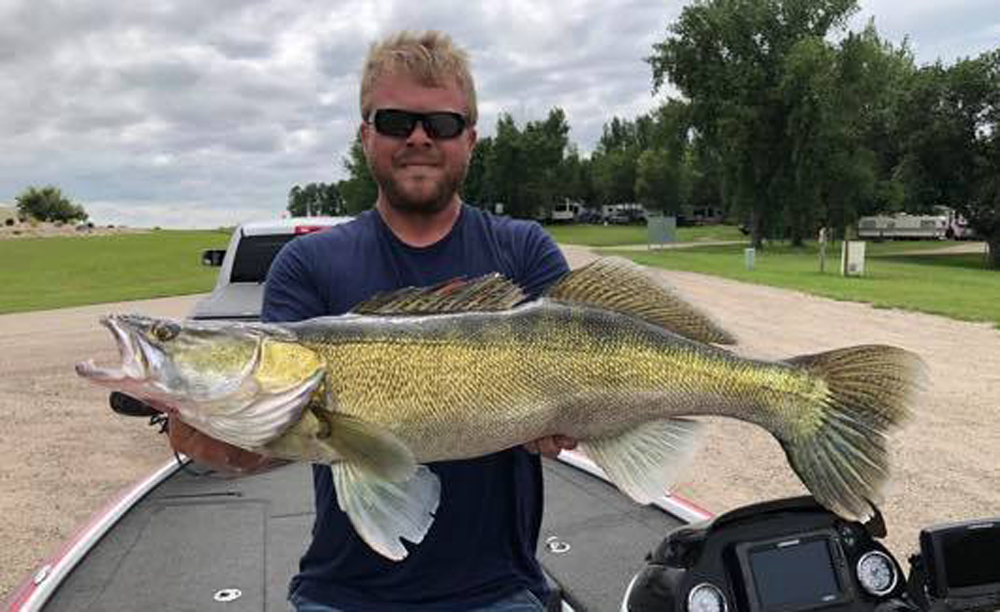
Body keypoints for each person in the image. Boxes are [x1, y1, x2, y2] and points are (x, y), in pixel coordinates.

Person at [169, 30, 577, 611]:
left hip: (503, 588)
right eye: (394, 121)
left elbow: (592, 381)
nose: (418, 138)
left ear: (471, 139)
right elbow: (284, 439)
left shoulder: (524, 251)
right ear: (365, 136)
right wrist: (223, 439)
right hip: (343, 594)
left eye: (441, 124)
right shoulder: (307, 264)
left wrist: (577, 424)